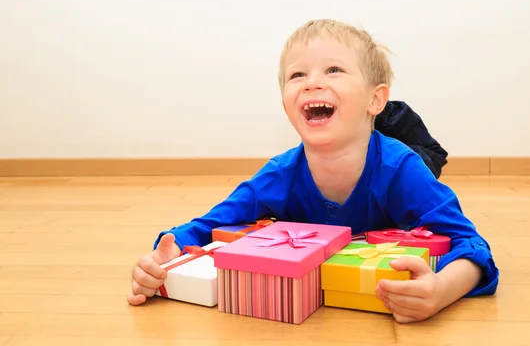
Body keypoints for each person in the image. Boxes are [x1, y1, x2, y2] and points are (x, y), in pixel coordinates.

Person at [127, 19, 499, 323]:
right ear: (286, 104)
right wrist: (162, 258)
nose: (312, 82)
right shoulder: (279, 175)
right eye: (296, 75)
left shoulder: (402, 170)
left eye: (334, 70)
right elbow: (206, 225)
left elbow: (473, 246)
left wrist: (440, 291)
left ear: (375, 99)